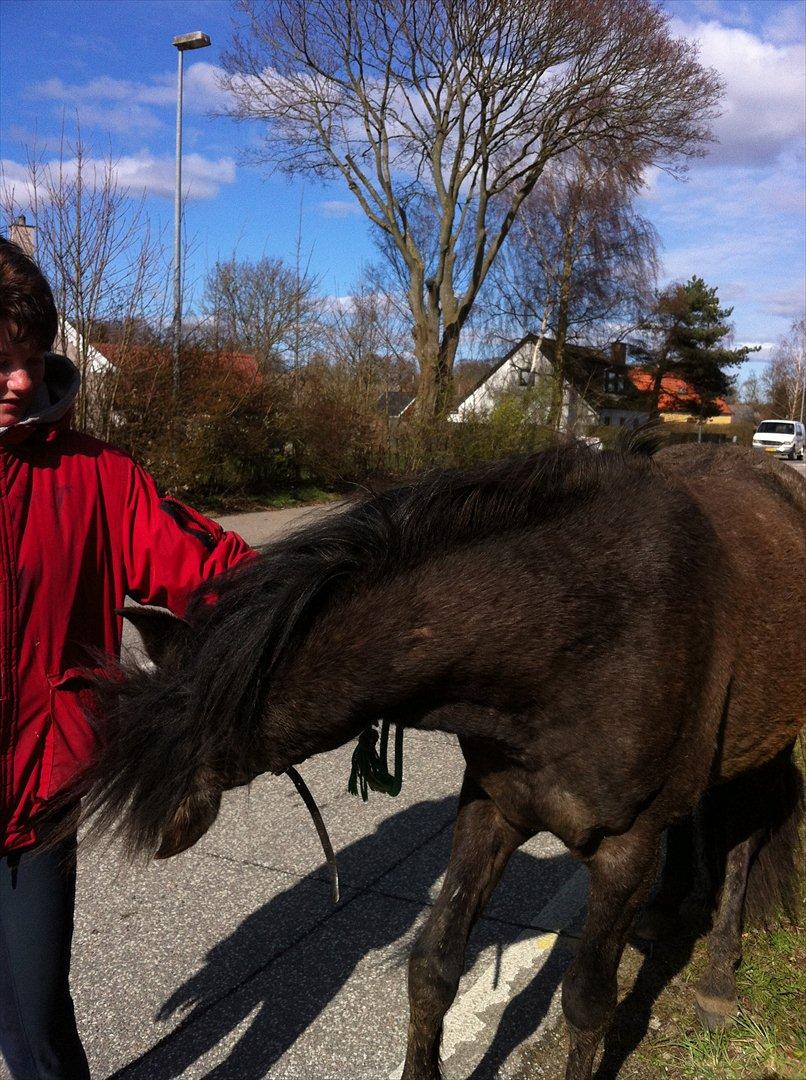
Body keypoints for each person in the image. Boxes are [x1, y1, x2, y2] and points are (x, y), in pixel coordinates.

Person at [0, 237, 254, 1079]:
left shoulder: (97, 477)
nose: (21, 381)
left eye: (31, 358)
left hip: (40, 797)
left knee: (38, 1022)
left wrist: (323, 601)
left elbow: (213, 569)